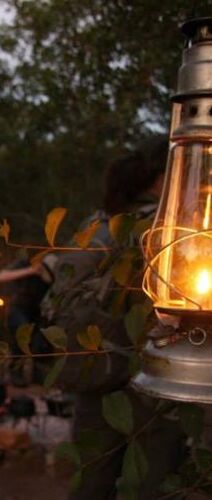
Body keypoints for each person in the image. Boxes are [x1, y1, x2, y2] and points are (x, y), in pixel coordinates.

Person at [41, 137, 185, 499]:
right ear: (160, 179)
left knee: (91, 480)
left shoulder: (95, 224)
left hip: (94, 369)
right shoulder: (164, 228)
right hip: (150, 376)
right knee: (150, 482)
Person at [0, 251, 56, 385]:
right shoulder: (25, 264)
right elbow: (1, 276)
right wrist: (31, 271)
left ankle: (38, 375)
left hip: (38, 311)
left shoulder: (53, 275)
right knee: (21, 335)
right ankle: (16, 373)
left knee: (41, 341)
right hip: (19, 308)